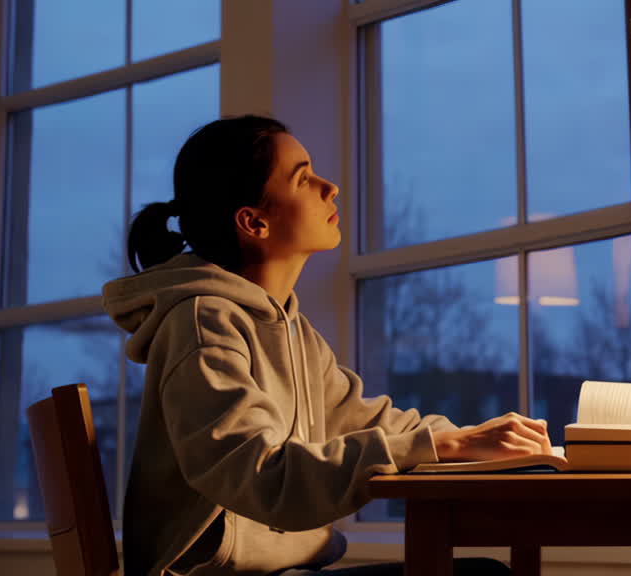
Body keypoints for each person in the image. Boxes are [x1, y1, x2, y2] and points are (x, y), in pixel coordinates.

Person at [103, 115, 552, 576]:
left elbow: (372, 421)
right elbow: (262, 475)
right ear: (253, 221)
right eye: (303, 178)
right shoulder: (202, 324)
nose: (330, 186)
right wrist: (442, 446)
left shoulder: (291, 331)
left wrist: (479, 438)